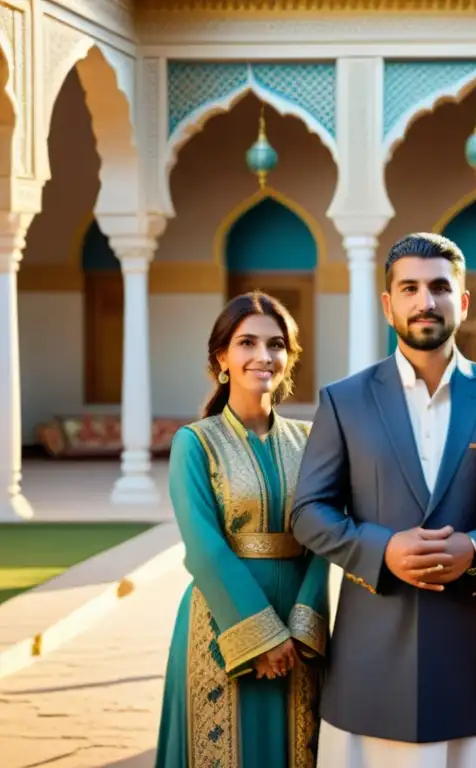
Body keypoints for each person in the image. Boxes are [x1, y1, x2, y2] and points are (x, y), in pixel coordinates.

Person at [290, 232, 476, 768]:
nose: (426, 302)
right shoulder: (344, 399)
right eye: (410, 288)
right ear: (388, 303)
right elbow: (308, 511)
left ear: (462, 301)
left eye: (440, 288)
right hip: (370, 651)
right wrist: (382, 549)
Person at [155, 292, 329, 768]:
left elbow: (324, 538)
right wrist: (261, 637)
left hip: (299, 630)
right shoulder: (195, 442)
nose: (262, 355)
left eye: (276, 344)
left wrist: (302, 626)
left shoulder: (311, 440)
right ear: (222, 358)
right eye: (246, 342)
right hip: (221, 621)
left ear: (289, 357)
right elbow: (203, 547)